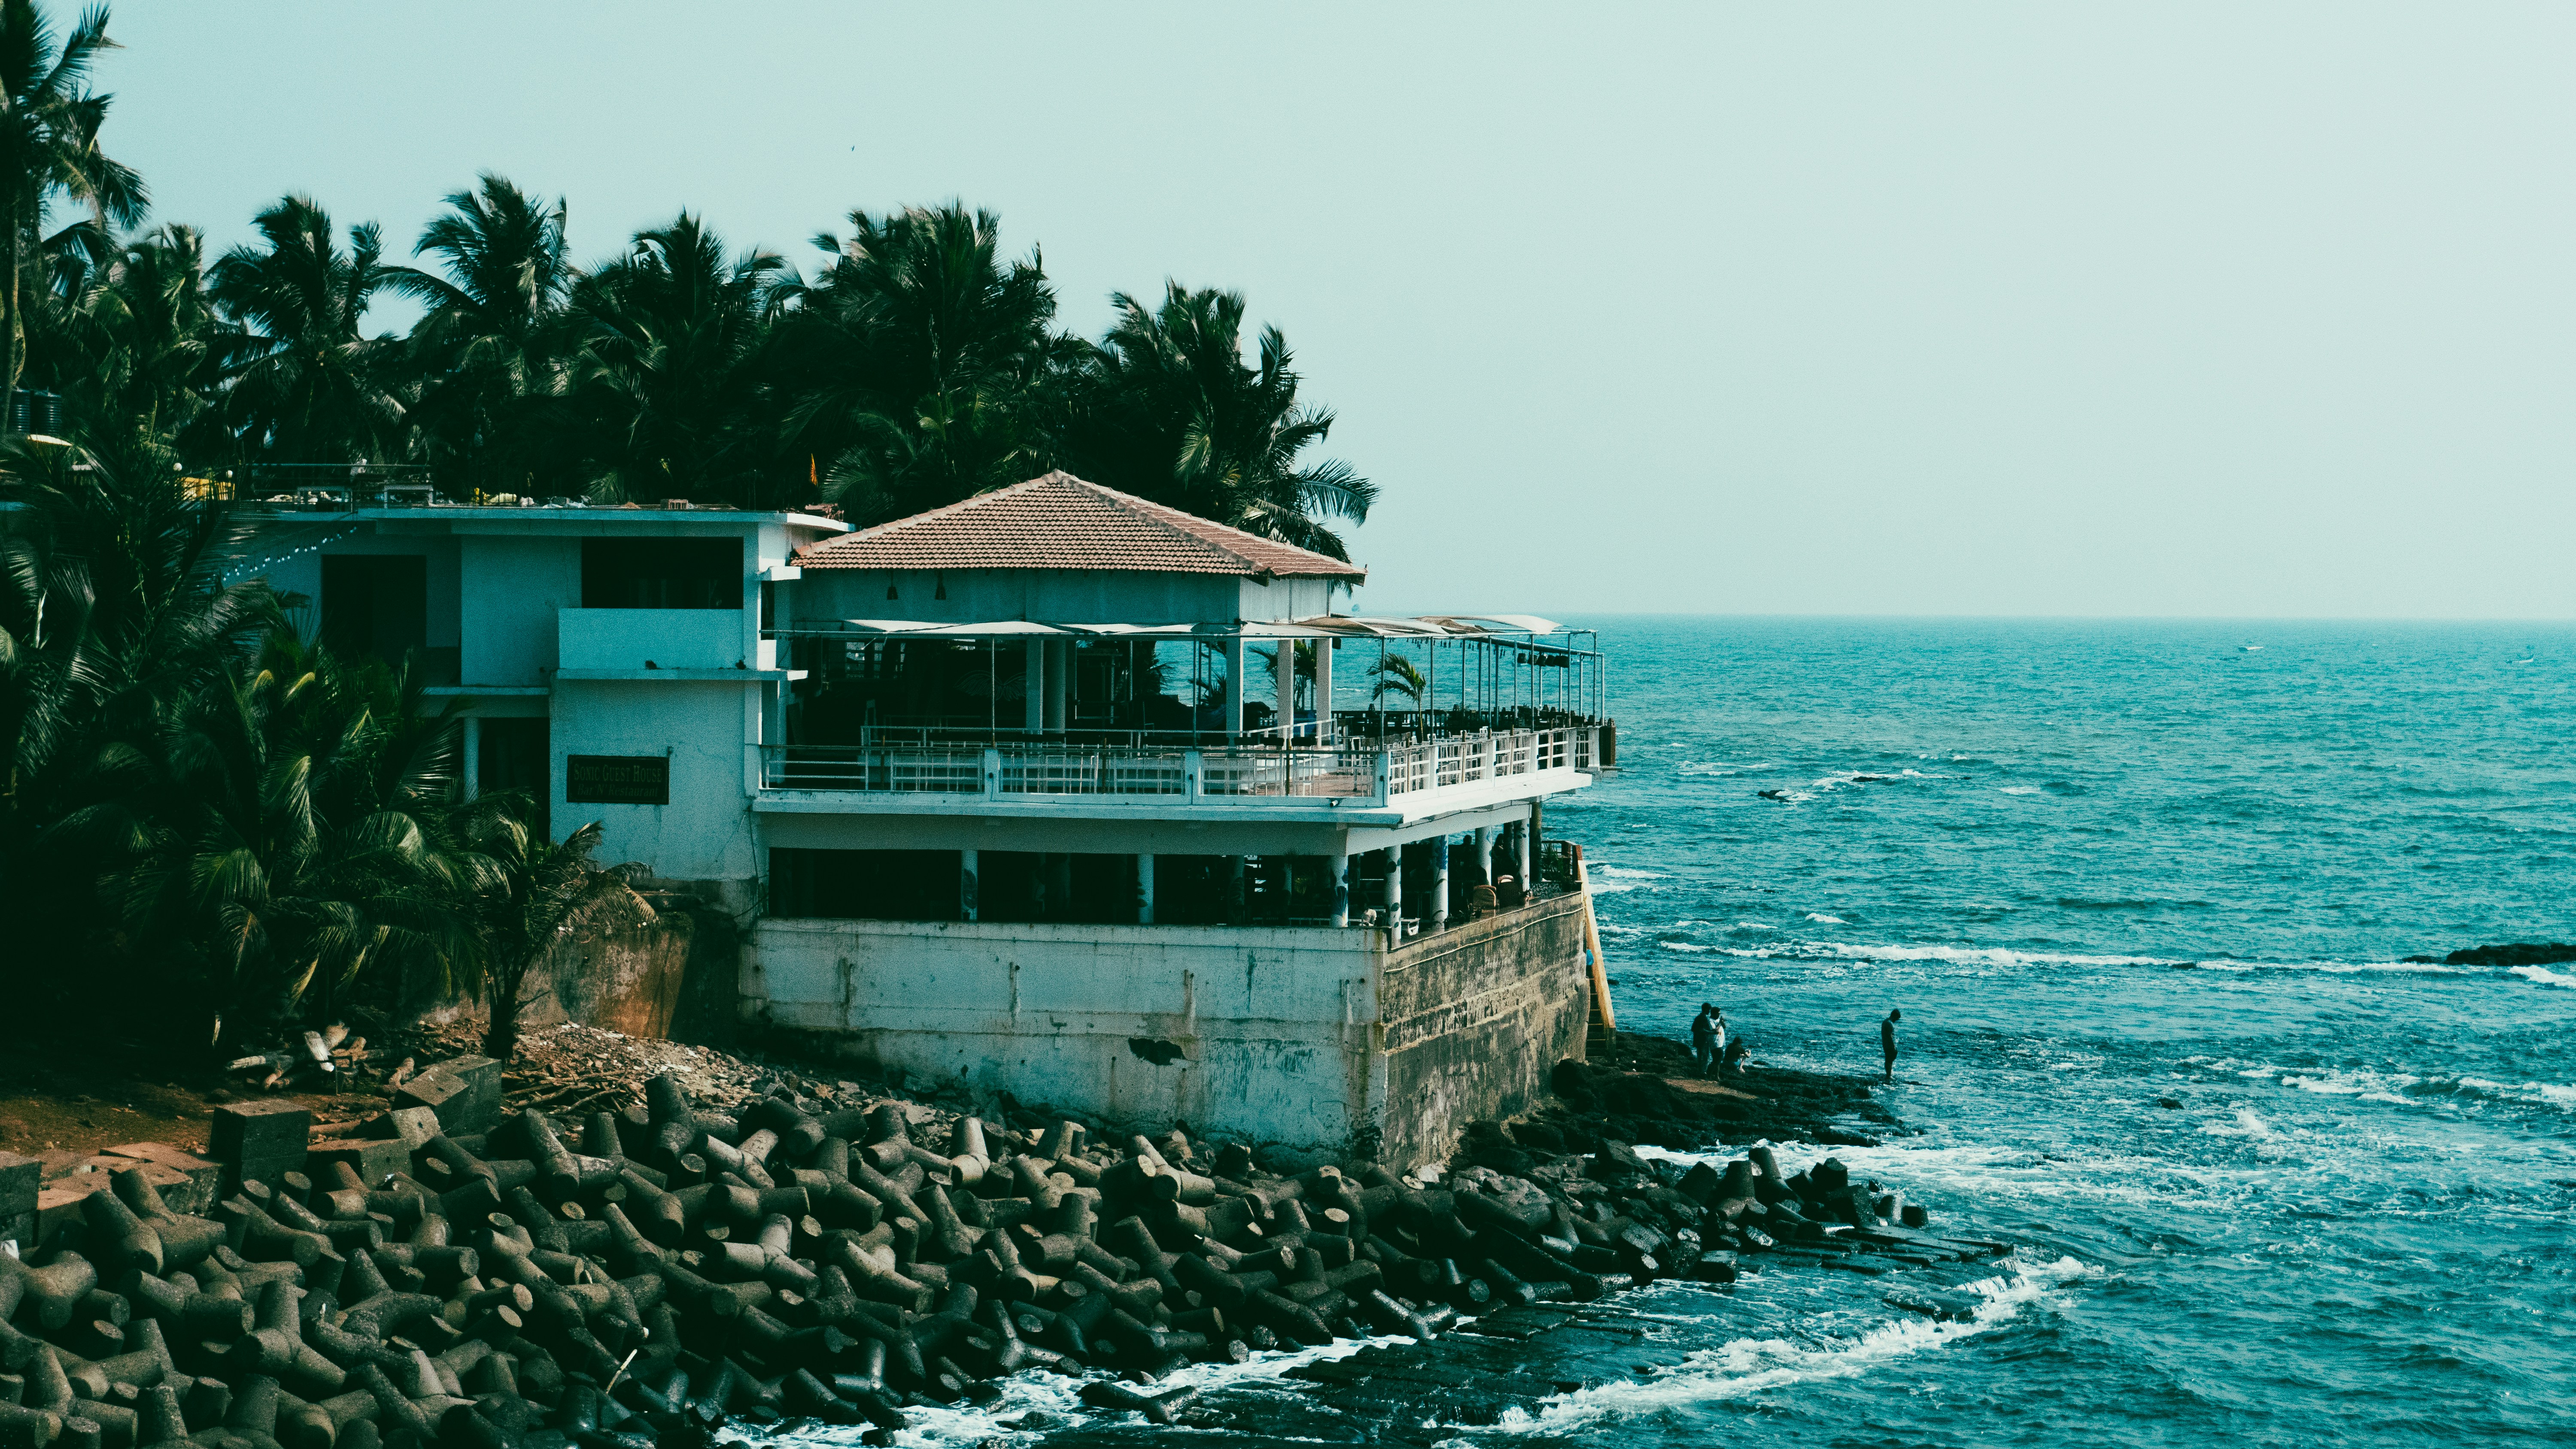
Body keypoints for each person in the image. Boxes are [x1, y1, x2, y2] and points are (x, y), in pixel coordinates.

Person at [1689, 1004, 1719, 1076]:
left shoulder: (1698, 1018)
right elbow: (1703, 1030)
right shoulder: (1704, 1018)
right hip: (1704, 1041)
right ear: (1706, 1009)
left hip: (1697, 1040)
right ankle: (1703, 1073)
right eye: (1709, 1010)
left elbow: (1693, 1029)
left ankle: (1699, 1072)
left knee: (1699, 1057)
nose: (1709, 1011)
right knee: (1706, 1058)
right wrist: (1712, 1032)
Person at [1880, 1008, 1901, 1083]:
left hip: (1886, 1044)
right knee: (1889, 1060)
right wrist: (1894, 1046)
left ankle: (1888, 1075)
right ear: (1894, 1016)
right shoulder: (1889, 1024)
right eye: (1897, 1018)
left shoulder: (1885, 1021)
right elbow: (1890, 1036)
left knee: (1889, 1060)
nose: (1897, 1020)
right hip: (1889, 1045)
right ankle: (1889, 1075)